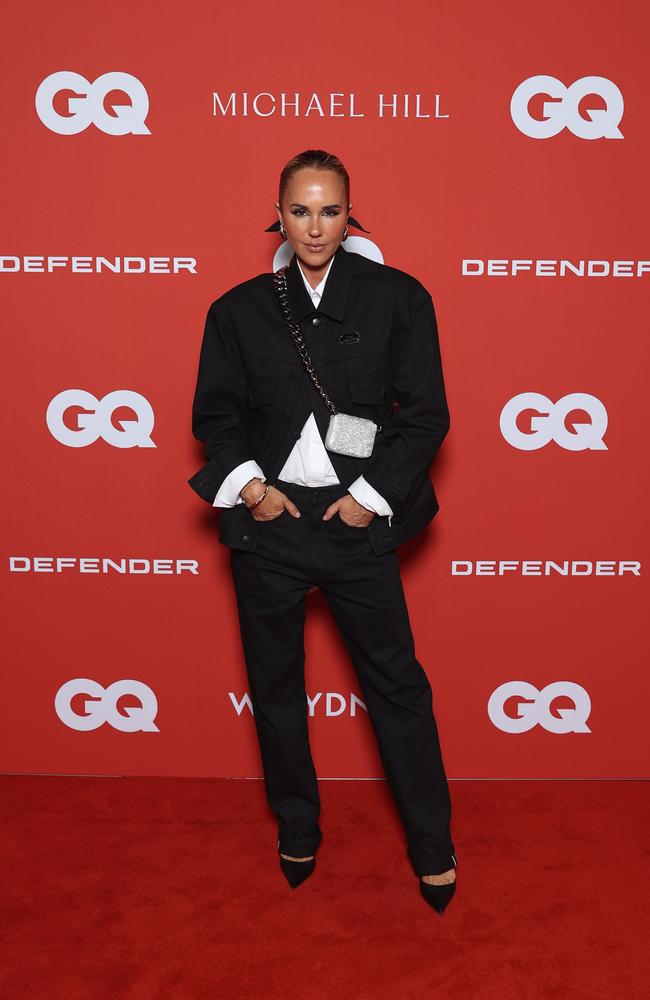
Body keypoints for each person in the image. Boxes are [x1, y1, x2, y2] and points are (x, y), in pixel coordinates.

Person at [188, 148, 458, 914]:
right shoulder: (237, 309)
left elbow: (426, 415)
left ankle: (433, 843)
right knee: (276, 691)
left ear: (351, 213)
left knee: (398, 688)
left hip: (353, 524)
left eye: (330, 210)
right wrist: (252, 490)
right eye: (300, 210)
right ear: (278, 215)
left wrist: (370, 497)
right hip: (269, 526)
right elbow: (216, 416)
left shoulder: (398, 299)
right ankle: (298, 828)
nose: (314, 226)